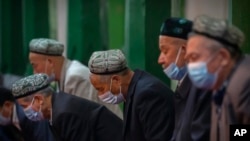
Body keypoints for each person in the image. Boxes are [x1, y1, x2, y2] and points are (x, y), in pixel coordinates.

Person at [185, 15, 250, 141]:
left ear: (223, 57)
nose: (191, 66)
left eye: (194, 58)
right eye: (188, 60)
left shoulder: (245, 84)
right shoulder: (218, 86)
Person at [88, 49, 175, 141]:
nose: (100, 94)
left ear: (116, 80)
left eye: (101, 89)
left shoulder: (147, 95)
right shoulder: (133, 92)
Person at [27, 38, 123, 118]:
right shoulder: (62, 78)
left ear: (50, 62)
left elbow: (86, 122)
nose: (34, 72)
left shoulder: (75, 78)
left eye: (35, 66)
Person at [11, 73, 123, 141]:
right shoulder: (56, 107)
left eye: (24, 106)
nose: (25, 111)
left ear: (39, 99)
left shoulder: (63, 113)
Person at [158, 17, 211, 141]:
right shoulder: (186, 86)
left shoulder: (203, 90)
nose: (160, 59)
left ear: (186, 50)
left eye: (165, 51)